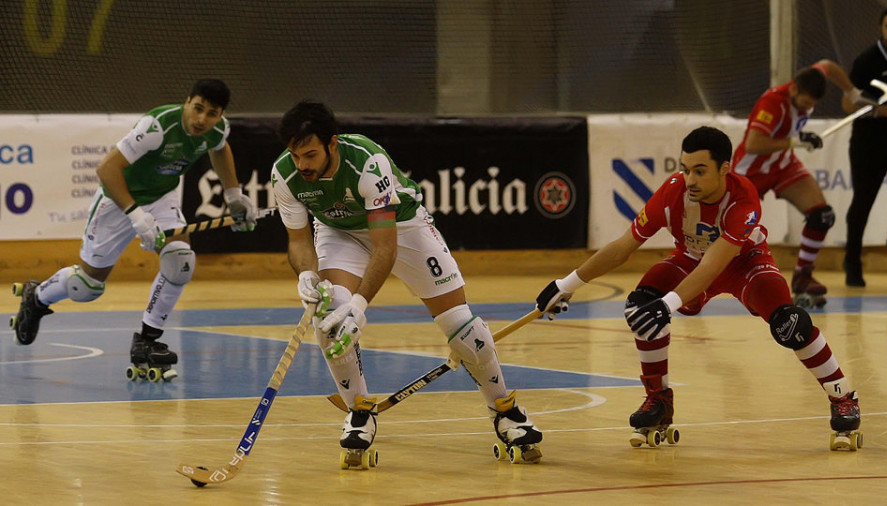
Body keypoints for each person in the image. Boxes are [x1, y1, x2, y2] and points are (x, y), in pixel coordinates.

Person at [534, 126, 861, 451]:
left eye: (700, 171)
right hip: (691, 259)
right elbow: (623, 247)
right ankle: (658, 399)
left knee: (789, 324)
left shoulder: (744, 199)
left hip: (743, 263)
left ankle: (843, 396)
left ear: (725, 169)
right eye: (685, 169)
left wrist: (668, 305)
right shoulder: (672, 192)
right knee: (640, 307)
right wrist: (566, 284)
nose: (689, 179)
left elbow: (714, 267)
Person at [271, 100, 542, 466]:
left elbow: (385, 247)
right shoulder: (284, 174)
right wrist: (306, 273)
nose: (302, 164)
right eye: (295, 154)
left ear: (332, 144)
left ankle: (505, 410)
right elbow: (299, 242)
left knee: (462, 327)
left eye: (310, 154)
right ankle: (360, 413)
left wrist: (361, 305)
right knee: (331, 317)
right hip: (339, 233)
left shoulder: (367, 162)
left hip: (403, 226)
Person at [10, 79, 257, 382]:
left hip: (160, 197)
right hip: (118, 199)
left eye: (211, 113)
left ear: (220, 115)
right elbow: (106, 170)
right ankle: (37, 297)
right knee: (87, 287)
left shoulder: (217, 130)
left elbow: (219, 149)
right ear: (187, 101)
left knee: (180, 261)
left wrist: (233, 194)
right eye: (198, 109)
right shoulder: (157, 126)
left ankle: (147, 339)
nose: (201, 120)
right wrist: (135, 215)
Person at [731, 60, 874, 307]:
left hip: (782, 165)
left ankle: (802, 277)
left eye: (813, 105)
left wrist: (851, 91)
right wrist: (794, 142)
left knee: (822, 216)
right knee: (728, 228)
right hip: (751, 172)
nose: (810, 108)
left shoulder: (809, 79)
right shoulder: (773, 104)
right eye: (807, 103)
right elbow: (754, 144)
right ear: (794, 89)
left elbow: (828, 66)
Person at [842, 6, 887, 287]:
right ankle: (852, 263)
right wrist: (886, 111)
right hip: (870, 142)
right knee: (863, 203)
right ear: (881, 28)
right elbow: (847, 103)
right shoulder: (867, 60)